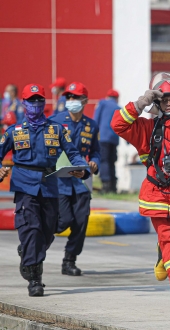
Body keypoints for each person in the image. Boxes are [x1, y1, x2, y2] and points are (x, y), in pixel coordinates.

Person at [112, 74, 170, 313]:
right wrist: (142, 102)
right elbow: (118, 125)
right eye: (164, 100)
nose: (169, 104)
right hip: (158, 197)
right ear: (158, 104)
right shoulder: (147, 128)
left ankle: (163, 256)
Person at [0, 83, 89, 296]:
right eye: (31, 101)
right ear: (23, 103)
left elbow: (74, 153)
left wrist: (81, 169)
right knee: (31, 229)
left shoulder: (56, 130)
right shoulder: (14, 131)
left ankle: (28, 252)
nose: (35, 105)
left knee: (48, 231)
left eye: (39, 100)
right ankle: (35, 278)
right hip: (25, 185)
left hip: (49, 185)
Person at [49, 82, 100, 276]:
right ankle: (36, 242)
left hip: (82, 180)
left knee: (80, 221)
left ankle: (69, 260)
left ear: (85, 101)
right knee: (63, 221)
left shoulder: (91, 125)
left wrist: (95, 162)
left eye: (76, 98)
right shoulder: (54, 122)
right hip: (60, 180)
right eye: (69, 97)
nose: (71, 101)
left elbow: (96, 151)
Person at [94, 89, 121, 193]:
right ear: (117, 98)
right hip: (114, 138)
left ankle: (106, 185)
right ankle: (113, 187)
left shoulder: (102, 103)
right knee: (112, 161)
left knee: (104, 160)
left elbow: (96, 119)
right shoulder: (118, 108)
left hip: (103, 137)